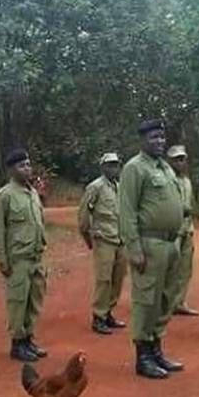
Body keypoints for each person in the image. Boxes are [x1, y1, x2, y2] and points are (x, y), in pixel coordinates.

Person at [119, 119, 185, 379]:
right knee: (146, 301)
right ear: (143, 140)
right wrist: (134, 248)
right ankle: (143, 356)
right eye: (154, 137)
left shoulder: (165, 168)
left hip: (170, 243)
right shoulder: (134, 168)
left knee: (166, 299)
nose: (159, 141)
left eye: (162, 137)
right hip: (149, 245)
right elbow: (127, 211)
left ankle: (156, 349)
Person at [0, 148, 48, 362]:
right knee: (18, 302)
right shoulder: (5, 195)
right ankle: (17, 343)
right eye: (21, 165)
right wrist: (3, 261)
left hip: (36, 257)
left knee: (34, 301)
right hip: (18, 259)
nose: (27, 168)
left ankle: (28, 339)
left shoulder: (32, 193)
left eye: (28, 164)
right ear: (11, 170)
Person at [78, 152, 127, 335]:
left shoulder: (120, 187)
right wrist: (88, 237)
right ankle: (98, 317)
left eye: (116, 164)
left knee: (118, 278)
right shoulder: (95, 187)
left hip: (120, 239)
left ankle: (108, 312)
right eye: (110, 165)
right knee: (104, 279)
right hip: (104, 239)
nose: (114, 168)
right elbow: (84, 214)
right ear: (103, 167)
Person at [166, 145, 199, 317]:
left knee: (185, 268)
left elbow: (191, 204)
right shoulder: (166, 180)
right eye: (176, 159)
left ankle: (179, 302)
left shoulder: (187, 181)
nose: (180, 162)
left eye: (182, 159)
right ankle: (166, 303)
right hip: (172, 230)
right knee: (170, 267)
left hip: (187, 228)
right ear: (170, 161)